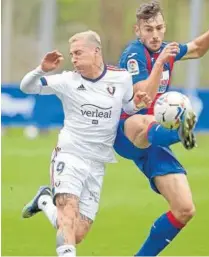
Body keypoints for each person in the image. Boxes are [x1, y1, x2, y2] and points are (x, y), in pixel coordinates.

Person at [114, 0, 209, 255]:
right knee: (146, 119)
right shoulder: (134, 54)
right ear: (137, 30)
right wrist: (160, 63)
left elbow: (198, 48)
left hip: (154, 140)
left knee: (184, 208)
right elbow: (141, 97)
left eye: (159, 28)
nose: (155, 34)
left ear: (165, 27)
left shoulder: (166, 48)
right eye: (148, 29)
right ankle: (177, 132)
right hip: (128, 131)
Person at [20, 30, 151, 257]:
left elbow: (129, 107)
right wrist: (42, 69)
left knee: (77, 233)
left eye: (78, 53)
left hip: (98, 163)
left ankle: (44, 199)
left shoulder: (121, 78)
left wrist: (139, 104)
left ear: (96, 51)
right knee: (68, 214)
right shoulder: (67, 81)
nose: (74, 59)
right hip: (69, 155)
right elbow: (27, 87)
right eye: (72, 54)